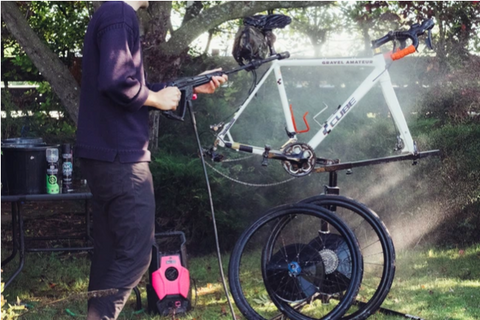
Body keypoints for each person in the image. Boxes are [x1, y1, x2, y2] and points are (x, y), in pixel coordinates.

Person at [75, 1, 227, 319]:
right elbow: (116, 80)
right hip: (122, 161)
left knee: (110, 253)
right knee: (135, 255)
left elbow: (128, 87)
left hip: (107, 156)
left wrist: (186, 87)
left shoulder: (111, 14)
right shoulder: (120, 14)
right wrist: (155, 98)